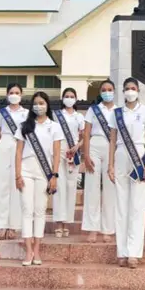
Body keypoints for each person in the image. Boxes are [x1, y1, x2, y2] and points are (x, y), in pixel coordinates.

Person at [107, 78, 145, 269]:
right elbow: (112, 140)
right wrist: (110, 165)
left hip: (139, 158)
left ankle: (134, 253)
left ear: (138, 90)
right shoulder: (116, 113)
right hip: (120, 156)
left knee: (137, 206)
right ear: (123, 91)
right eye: (127, 88)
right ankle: (122, 251)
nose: (130, 91)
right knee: (121, 205)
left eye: (133, 88)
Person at [14, 92, 62, 266]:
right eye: (36, 103)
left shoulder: (54, 126)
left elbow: (57, 153)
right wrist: (17, 175)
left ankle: (37, 249)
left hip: (44, 172)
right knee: (27, 210)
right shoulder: (24, 126)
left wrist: (54, 175)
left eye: (42, 103)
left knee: (40, 211)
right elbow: (18, 152)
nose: (39, 106)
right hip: (26, 170)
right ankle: (28, 250)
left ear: (47, 105)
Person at [0, 83, 27, 240]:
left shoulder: (26, 113)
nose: (14, 95)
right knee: (1, 186)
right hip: (3, 147)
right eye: (11, 92)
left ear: (21, 95)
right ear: (7, 94)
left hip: (20, 148)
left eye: (17, 92)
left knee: (16, 187)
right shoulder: (1, 113)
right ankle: (1, 224)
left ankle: (14, 225)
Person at [82, 79, 117, 243]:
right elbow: (86, 133)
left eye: (110, 89)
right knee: (92, 188)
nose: (107, 92)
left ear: (114, 91)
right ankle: (92, 228)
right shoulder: (93, 110)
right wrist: (86, 155)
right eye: (104, 89)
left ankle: (108, 229)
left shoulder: (119, 111)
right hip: (94, 146)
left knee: (110, 189)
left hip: (112, 149)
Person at [52, 87, 85, 238]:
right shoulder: (56, 115)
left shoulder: (80, 117)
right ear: (63, 98)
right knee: (60, 187)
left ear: (76, 99)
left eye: (72, 96)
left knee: (71, 187)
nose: (69, 98)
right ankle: (59, 223)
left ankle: (67, 223)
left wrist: (77, 146)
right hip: (60, 151)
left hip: (74, 153)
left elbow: (85, 136)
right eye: (67, 96)